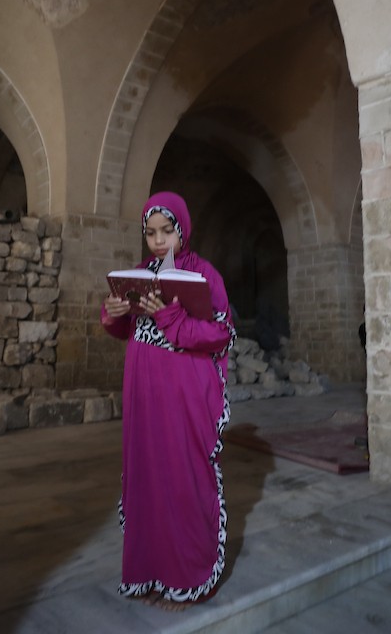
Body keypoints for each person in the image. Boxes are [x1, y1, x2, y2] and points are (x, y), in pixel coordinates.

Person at [100, 191, 236, 611]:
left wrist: (171, 318)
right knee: (148, 473)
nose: (159, 241)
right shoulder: (139, 273)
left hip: (182, 389)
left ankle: (190, 579)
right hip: (144, 387)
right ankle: (150, 573)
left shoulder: (204, 273)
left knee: (182, 473)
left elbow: (220, 333)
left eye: (167, 231)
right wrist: (114, 312)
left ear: (182, 229)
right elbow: (124, 331)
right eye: (151, 233)